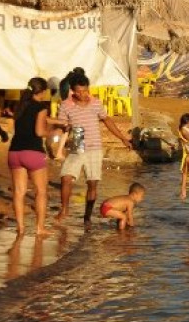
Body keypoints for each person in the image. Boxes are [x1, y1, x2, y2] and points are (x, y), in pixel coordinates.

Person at [56, 73, 133, 226]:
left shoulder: (96, 103)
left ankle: (87, 216)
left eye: (85, 91)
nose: (82, 94)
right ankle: (64, 209)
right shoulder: (66, 105)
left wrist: (123, 138)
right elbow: (61, 125)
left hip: (95, 147)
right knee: (65, 177)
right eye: (78, 92)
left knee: (92, 184)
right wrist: (64, 129)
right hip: (78, 144)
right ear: (72, 91)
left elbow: (107, 120)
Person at [8, 77, 67, 236]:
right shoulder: (41, 107)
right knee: (41, 192)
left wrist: (59, 121)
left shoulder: (20, 106)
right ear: (42, 91)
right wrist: (55, 132)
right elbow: (40, 132)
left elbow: (35, 119)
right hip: (32, 152)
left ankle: (20, 228)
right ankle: (40, 228)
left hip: (14, 153)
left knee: (19, 192)